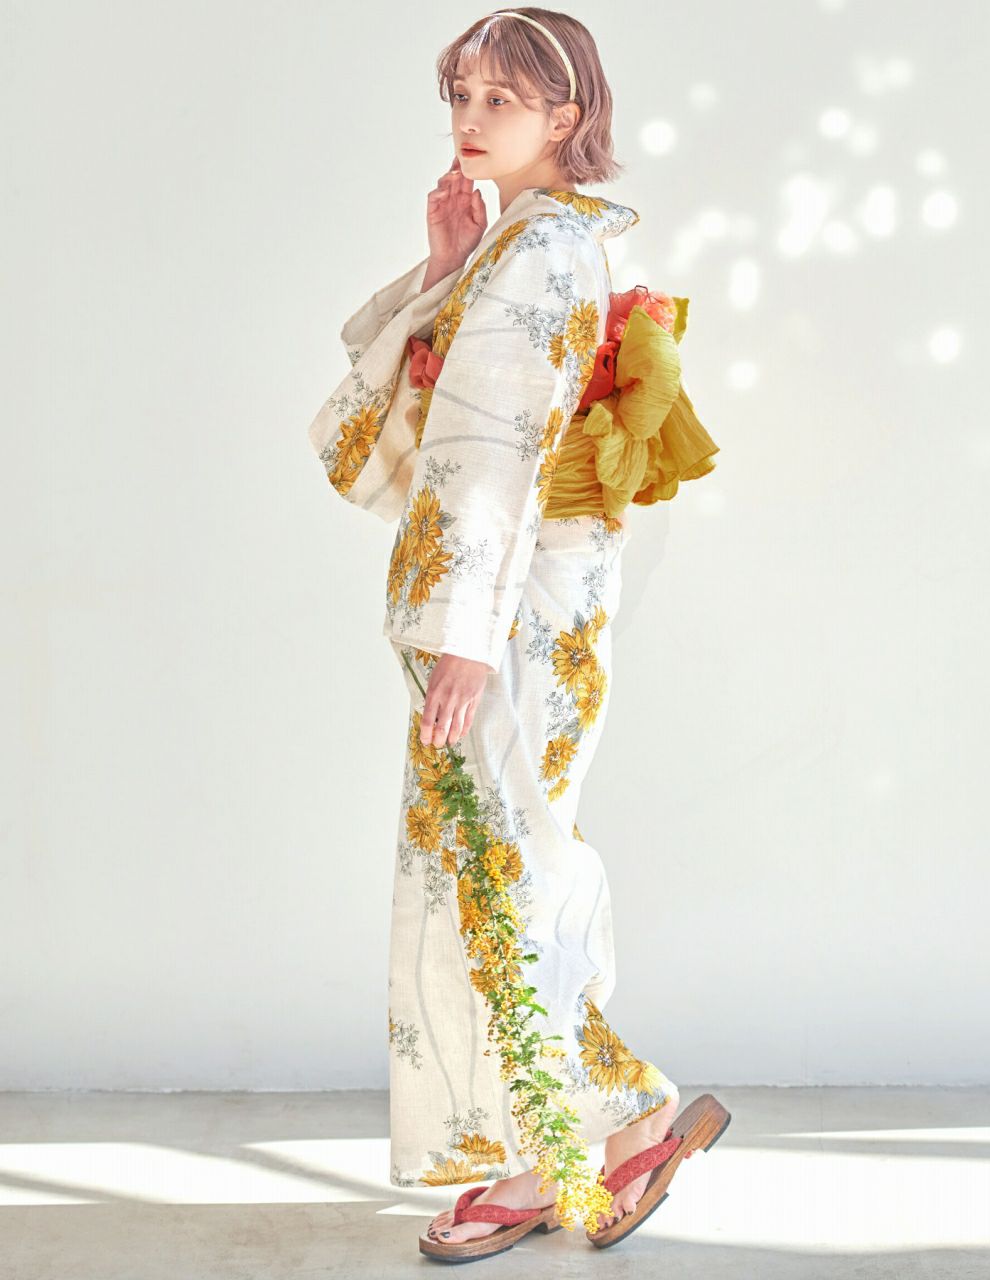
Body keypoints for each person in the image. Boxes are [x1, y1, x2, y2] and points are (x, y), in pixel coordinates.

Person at [307, 6, 727, 1260]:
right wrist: (445, 264)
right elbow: (431, 407)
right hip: (522, 594)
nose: (470, 119)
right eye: (461, 95)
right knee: (506, 851)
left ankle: (617, 1118)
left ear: (565, 116)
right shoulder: (525, 241)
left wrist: (465, 631)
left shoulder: (544, 251)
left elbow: (491, 455)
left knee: (498, 861)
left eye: (501, 98)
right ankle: (555, 1147)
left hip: (512, 600)